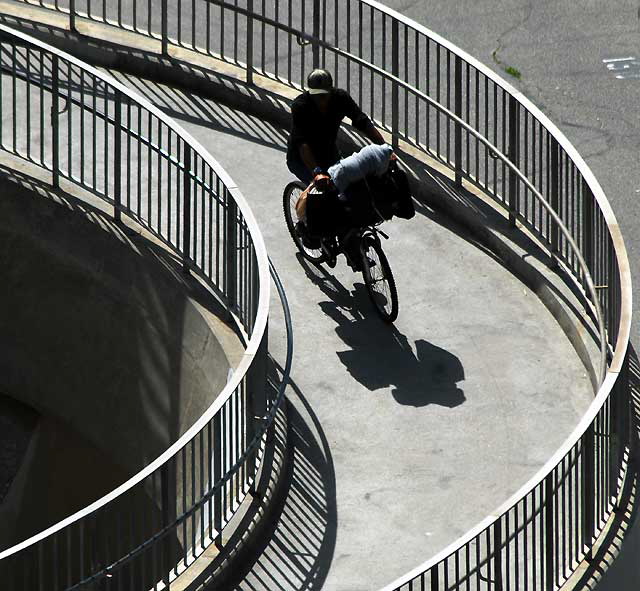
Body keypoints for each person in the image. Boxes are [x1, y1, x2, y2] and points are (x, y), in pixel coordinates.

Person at [286, 69, 387, 185]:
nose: (321, 99)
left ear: (331, 91)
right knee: (320, 193)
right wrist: (316, 172)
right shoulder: (300, 106)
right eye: (317, 95)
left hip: (329, 153)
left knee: (350, 185)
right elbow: (302, 143)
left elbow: (362, 121)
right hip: (302, 160)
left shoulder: (341, 98)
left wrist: (384, 147)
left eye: (324, 95)